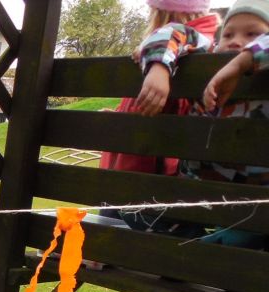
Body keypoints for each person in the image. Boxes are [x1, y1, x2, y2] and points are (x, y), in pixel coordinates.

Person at [129, 0, 269, 245]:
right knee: (133, 210)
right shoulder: (208, 56)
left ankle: (215, 244)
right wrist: (159, 66)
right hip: (197, 195)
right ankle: (205, 241)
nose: (236, 41)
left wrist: (242, 62)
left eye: (252, 34)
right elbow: (175, 31)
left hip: (254, 201)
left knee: (247, 233)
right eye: (228, 34)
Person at [97, 0, 218, 188]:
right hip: (135, 167)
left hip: (144, 175)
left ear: (161, 14)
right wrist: (120, 116)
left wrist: (159, 67)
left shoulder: (192, 41)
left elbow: (172, 33)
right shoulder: (172, 48)